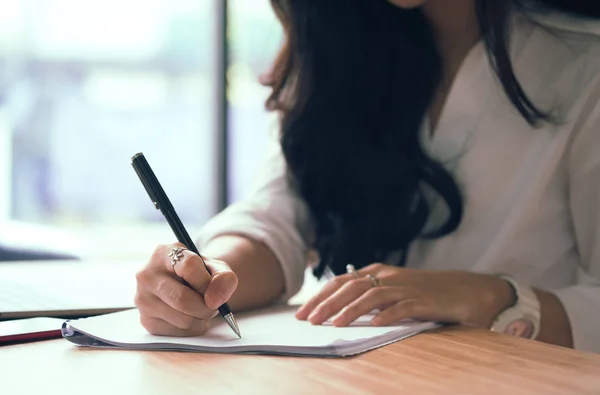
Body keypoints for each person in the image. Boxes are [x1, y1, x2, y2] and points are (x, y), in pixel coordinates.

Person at [134, 0, 600, 353]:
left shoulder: (584, 64)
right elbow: (276, 218)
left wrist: (494, 297)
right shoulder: (339, 44)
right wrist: (206, 275)